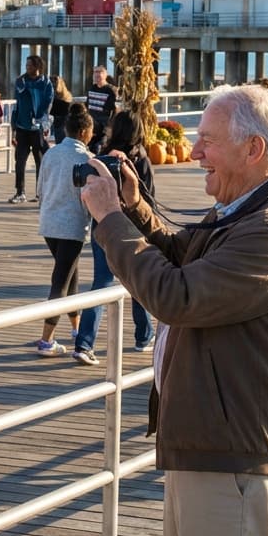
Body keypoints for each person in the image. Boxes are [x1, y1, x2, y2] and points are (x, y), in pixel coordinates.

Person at [78, 85, 268, 536]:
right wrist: (134, 208)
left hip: (238, 455)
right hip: (217, 443)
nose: (194, 153)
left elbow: (178, 296)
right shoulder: (248, 208)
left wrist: (111, 219)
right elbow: (184, 257)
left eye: (208, 141)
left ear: (254, 149)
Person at [72, 109, 156, 365]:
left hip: (103, 226)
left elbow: (86, 190)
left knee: (102, 283)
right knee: (138, 279)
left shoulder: (100, 159)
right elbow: (150, 197)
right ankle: (143, 335)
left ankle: (85, 343)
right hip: (132, 227)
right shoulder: (139, 159)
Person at [33, 104, 94, 356]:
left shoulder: (51, 153)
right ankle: (46, 340)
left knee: (71, 275)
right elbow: (87, 196)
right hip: (72, 226)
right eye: (91, 131)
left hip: (49, 223)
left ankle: (75, 328)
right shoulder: (86, 159)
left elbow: (39, 189)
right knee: (60, 281)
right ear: (83, 132)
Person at [8, 54, 53, 203]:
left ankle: (40, 193)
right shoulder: (20, 82)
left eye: (30, 65)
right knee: (19, 161)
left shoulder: (45, 83)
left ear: (37, 67)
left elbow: (47, 105)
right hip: (22, 127)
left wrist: (44, 124)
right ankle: (20, 192)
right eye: (26, 65)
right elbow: (16, 105)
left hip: (38, 128)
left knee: (39, 161)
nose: (27, 68)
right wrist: (13, 128)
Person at [85, 64, 117, 153]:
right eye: (95, 72)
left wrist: (108, 130)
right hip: (91, 128)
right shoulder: (91, 89)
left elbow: (114, 112)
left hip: (104, 129)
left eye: (100, 72)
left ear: (106, 74)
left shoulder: (111, 90)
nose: (97, 74)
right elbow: (87, 108)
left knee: (99, 150)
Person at [48, 75, 72, 146]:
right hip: (65, 122)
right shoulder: (67, 96)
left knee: (59, 143)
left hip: (58, 123)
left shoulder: (53, 96)